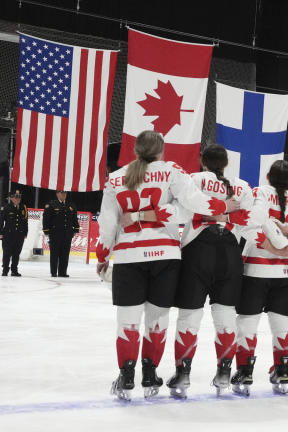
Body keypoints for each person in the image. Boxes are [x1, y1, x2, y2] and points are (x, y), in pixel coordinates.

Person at [96, 130, 235, 401]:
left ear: (136, 150)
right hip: (165, 256)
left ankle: (126, 377)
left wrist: (102, 257)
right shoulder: (172, 171)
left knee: (128, 322)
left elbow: (108, 225)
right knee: (157, 321)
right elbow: (192, 206)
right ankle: (150, 375)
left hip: (128, 256)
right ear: (162, 151)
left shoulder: (115, 178)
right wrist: (223, 206)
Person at [167, 145, 254, 398]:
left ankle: (183, 374)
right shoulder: (243, 186)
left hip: (198, 252)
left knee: (189, 316)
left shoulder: (194, 180)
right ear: (226, 163)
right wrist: (226, 216)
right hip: (230, 254)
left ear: (202, 161)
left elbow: (180, 209)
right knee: (225, 317)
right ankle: (225, 373)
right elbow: (249, 220)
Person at [232, 160, 288, 396]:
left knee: (247, 322)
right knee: (282, 323)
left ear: (269, 176)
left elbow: (246, 226)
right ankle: (282, 370)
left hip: (256, 269)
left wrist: (272, 248)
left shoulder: (259, 192)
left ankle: (244, 371)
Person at [43, 189, 79, 277]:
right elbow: (46, 219)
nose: (64, 194)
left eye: (65, 193)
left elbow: (74, 218)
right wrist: (46, 231)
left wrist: (76, 229)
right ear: (57, 194)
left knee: (65, 254)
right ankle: (54, 272)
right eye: (62, 193)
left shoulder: (71, 205)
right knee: (54, 254)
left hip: (67, 234)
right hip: (55, 234)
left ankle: (63, 272)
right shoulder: (51, 205)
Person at [1, 189, 28, 277]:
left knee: (16, 253)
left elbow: (25, 221)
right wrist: (0, 232)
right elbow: (1, 221)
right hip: (8, 234)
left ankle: (14, 270)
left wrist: (25, 233)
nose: (18, 199)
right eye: (16, 197)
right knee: (7, 253)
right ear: (11, 198)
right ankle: (5, 270)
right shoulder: (6, 207)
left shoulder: (23, 207)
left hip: (19, 234)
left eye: (19, 197)